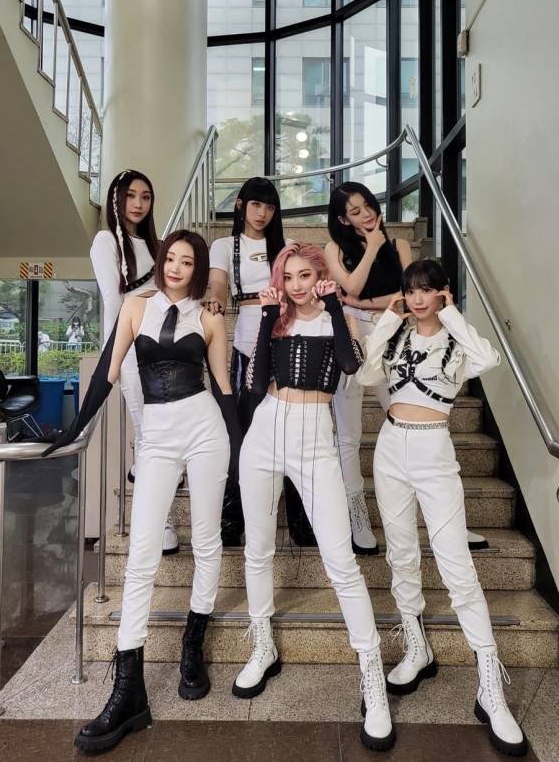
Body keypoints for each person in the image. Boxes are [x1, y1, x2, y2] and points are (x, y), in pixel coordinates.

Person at [45, 231, 240, 754]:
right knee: (141, 554)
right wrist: (75, 429)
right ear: (161, 262)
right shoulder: (136, 307)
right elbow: (107, 374)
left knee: (206, 540)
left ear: (198, 269)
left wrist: (242, 451)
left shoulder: (210, 316)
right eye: (170, 258)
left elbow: (223, 386)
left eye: (187, 261)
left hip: (205, 429)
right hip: (156, 434)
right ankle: (128, 687)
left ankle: (192, 645)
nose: (176, 267)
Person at [357, 259, 527, 757]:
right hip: (391, 448)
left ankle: (490, 685)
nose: (417, 299)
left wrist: (452, 314)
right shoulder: (396, 337)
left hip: (434, 448)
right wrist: (386, 321)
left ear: (442, 293)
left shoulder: (457, 341)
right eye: (411, 291)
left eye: (426, 290)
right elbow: (366, 375)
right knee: (401, 554)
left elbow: (489, 358)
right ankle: (417, 646)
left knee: (457, 567)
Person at [233, 242, 395, 753]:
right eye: (289, 276)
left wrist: (333, 307)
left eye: (305, 275)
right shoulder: (275, 320)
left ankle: (371, 674)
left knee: (341, 562)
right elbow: (255, 384)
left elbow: (349, 366)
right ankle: (262, 646)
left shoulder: (336, 319)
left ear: (319, 277)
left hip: (315, 438)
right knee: (258, 550)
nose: (297, 285)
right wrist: (266, 317)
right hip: (265, 433)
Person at [325, 182, 487, 554]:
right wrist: (372, 248)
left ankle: (447, 520)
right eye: (355, 211)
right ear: (343, 220)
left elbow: (404, 296)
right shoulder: (335, 249)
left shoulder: (399, 244)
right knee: (348, 434)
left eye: (368, 205)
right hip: (350, 337)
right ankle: (357, 516)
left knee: (408, 416)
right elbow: (352, 285)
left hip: (392, 334)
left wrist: (362, 303)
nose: (366, 213)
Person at [207, 177, 315, 548]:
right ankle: (231, 519)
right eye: (256, 204)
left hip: (285, 338)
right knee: (241, 431)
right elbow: (218, 284)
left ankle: (301, 522)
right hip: (245, 343)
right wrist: (216, 301)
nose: (262, 213)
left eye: (269, 207)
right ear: (241, 205)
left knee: (292, 427)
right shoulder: (224, 246)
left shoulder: (286, 245)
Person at [90, 169, 179, 556]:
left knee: (166, 432)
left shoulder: (157, 246)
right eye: (131, 196)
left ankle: (144, 477)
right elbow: (115, 302)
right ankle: (162, 521)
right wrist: (117, 353)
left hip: (164, 349)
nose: (139, 204)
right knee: (151, 432)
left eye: (146, 197)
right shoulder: (106, 240)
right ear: (116, 199)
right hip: (130, 348)